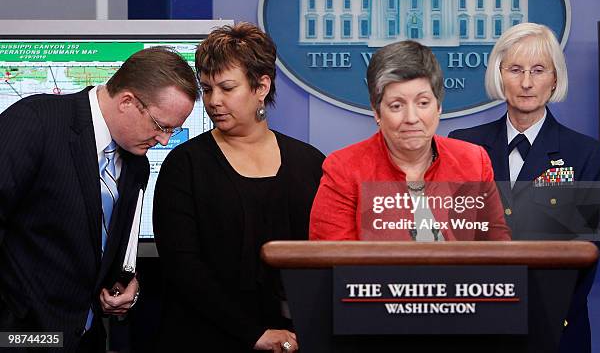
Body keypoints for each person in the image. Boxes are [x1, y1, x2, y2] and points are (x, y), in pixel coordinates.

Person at [0, 46, 199, 352]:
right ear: (128, 101)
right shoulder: (36, 122)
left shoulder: (136, 164)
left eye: (173, 130)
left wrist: (125, 284)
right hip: (20, 338)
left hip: (87, 339)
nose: (164, 140)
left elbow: (106, 247)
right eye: (161, 126)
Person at [153, 22, 325, 353]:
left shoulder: (310, 164)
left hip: (295, 342)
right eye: (206, 89)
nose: (214, 101)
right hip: (203, 339)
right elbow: (183, 268)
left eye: (227, 88)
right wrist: (254, 334)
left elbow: (323, 262)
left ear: (261, 86)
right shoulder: (184, 165)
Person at [449, 22, 600, 352]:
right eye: (515, 69)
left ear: (554, 79)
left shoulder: (585, 154)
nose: (525, 83)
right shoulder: (463, 146)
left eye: (538, 70)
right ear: (499, 75)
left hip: (554, 329)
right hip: (478, 325)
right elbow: (454, 242)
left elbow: (583, 254)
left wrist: (547, 316)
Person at [309, 40, 511, 241]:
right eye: (396, 106)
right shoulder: (343, 169)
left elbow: (496, 250)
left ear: (438, 106)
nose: (411, 118)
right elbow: (333, 262)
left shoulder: (474, 161)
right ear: (377, 111)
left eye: (423, 103)